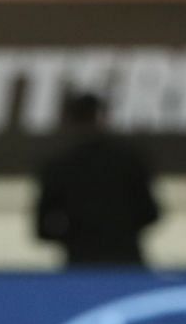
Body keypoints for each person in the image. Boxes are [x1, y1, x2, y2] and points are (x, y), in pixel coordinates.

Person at [33, 92, 162, 267]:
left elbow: (43, 228)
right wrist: (119, 229)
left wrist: (75, 234)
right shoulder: (129, 161)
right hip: (126, 261)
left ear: (71, 122)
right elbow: (150, 213)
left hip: (80, 263)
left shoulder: (58, 166)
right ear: (104, 118)